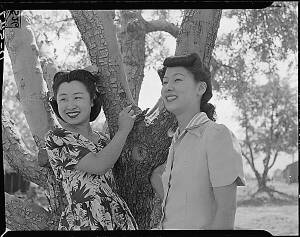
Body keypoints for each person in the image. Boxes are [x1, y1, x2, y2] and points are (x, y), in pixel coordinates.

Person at [150, 53, 246, 230]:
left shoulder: (216, 135)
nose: (168, 88)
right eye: (165, 82)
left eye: (177, 80)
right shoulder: (177, 140)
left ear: (200, 88)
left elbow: (226, 211)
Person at [45, 69, 138, 230]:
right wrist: (123, 130)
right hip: (85, 220)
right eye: (63, 99)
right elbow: (99, 166)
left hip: (116, 215)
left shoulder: (103, 140)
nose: (70, 105)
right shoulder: (58, 138)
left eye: (77, 97)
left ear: (92, 100)